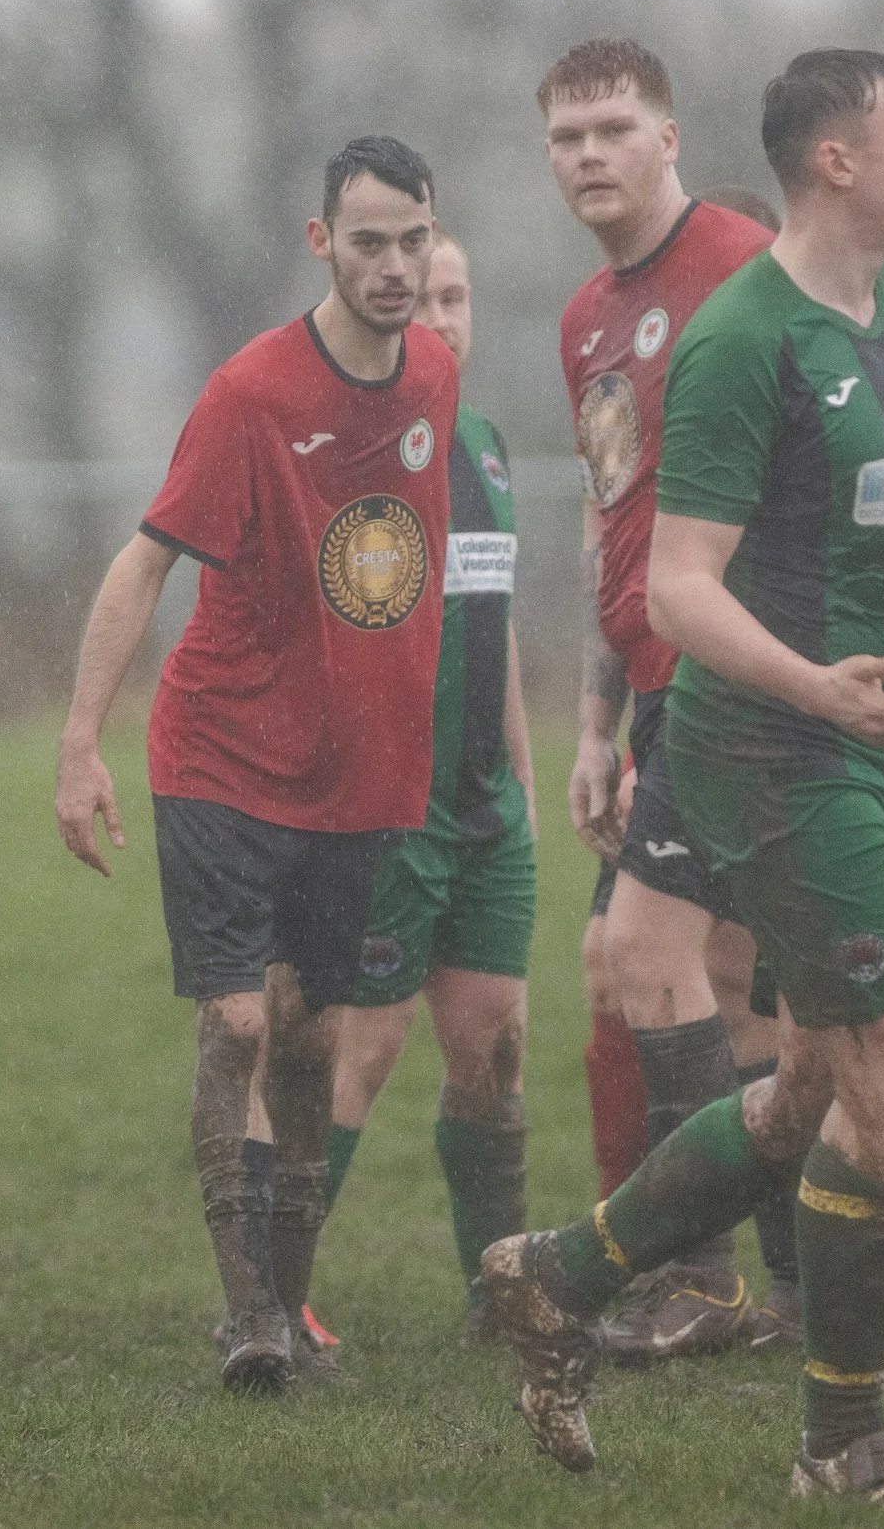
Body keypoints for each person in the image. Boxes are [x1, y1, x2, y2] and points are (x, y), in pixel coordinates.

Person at [481, 49, 884, 1503]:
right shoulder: (738, 337)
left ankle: (552, 1275)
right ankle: (844, 1442)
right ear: (838, 162)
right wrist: (814, 690)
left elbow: (860, 502)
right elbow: (676, 587)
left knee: (805, 1090)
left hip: (874, 742)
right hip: (776, 751)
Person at [54, 136, 458, 1395]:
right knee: (236, 1017)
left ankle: (290, 1305)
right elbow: (143, 563)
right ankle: (248, 1322)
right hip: (222, 752)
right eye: (369, 240)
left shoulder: (436, 377)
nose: (393, 267)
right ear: (319, 242)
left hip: (359, 780)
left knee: (311, 1033)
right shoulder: (251, 394)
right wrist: (80, 746)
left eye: (412, 241)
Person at [542, 39, 797, 1356]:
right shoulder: (587, 317)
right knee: (722, 982)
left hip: (744, 679)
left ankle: (698, 1273)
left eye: (612, 128)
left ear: (669, 136)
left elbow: (805, 466)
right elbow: (609, 525)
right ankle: (751, 1279)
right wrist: (596, 723)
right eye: (566, 136)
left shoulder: (747, 266)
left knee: (662, 962)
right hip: (655, 691)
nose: (589, 154)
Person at [320, 233, 536, 1341]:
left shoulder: (489, 448)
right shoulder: (346, 451)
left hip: (487, 818)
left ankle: (498, 1293)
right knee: (359, 1050)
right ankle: (271, 1300)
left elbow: (491, 641)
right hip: (382, 817)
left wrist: (528, 791)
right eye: (426, 298)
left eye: (460, 295)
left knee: (493, 1047)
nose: (444, 317)